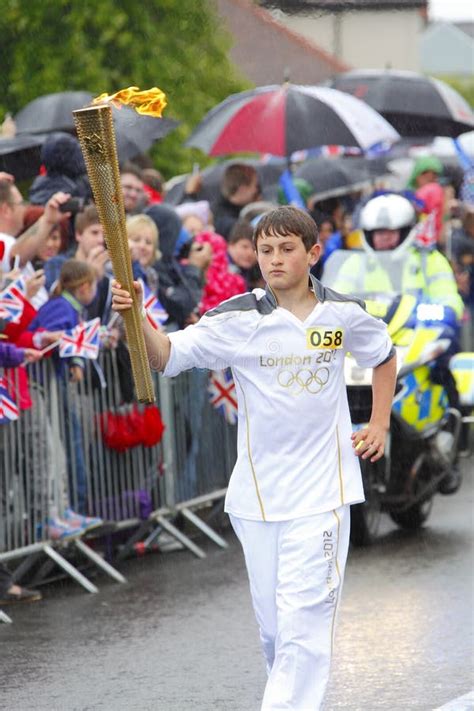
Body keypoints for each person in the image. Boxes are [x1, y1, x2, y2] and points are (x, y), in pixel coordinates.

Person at [111, 205, 397, 710]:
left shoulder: (343, 313)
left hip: (323, 493)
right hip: (258, 498)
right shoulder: (238, 318)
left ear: (312, 253)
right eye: (265, 251)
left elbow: (382, 353)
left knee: (304, 626)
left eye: (287, 249)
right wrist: (138, 317)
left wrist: (378, 422)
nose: (274, 259)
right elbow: (166, 355)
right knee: (275, 633)